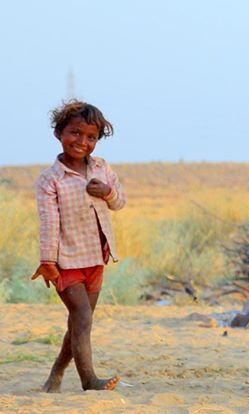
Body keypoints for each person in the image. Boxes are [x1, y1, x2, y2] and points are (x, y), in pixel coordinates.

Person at [31, 101, 126, 392]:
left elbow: (120, 202)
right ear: (59, 132)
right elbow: (49, 223)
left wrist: (108, 192)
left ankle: (56, 374)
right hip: (65, 262)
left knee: (78, 324)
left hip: (95, 259)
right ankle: (89, 381)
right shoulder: (50, 180)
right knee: (82, 317)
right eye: (75, 133)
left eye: (91, 137)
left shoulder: (101, 167)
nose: (82, 142)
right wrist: (48, 261)